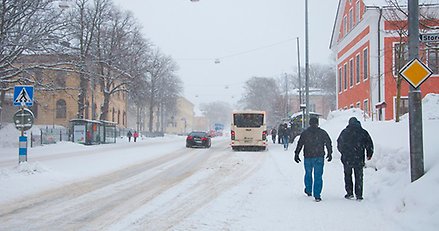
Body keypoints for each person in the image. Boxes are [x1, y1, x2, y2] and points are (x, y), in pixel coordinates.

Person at [294, 117, 332, 202]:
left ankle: (308, 189)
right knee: (318, 176)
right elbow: (328, 143)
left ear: (309, 123)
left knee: (308, 173)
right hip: (319, 156)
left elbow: (300, 144)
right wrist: (330, 153)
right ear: (317, 123)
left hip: (308, 156)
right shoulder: (322, 133)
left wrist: (296, 154)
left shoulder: (305, 133)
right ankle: (317, 194)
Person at [337, 117, 374, 201]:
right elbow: (369, 144)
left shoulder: (345, 132)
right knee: (359, 176)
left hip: (347, 158)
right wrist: (369, 153)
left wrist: (343, 152)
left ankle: (349, 193)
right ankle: (359, 194)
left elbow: (339, 143)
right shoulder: (363, 132)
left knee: (347, 175)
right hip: (359, 158)